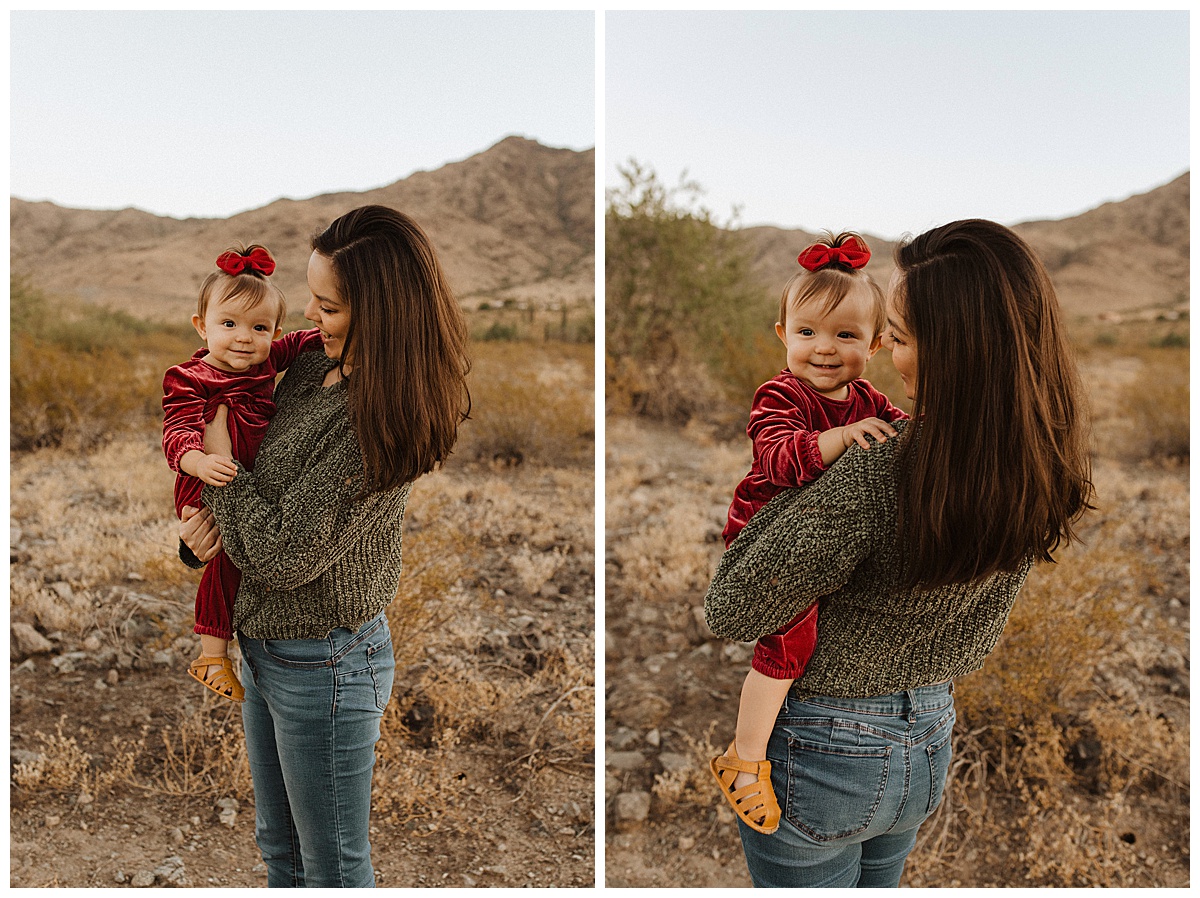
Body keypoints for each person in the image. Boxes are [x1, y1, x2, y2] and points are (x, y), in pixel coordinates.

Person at [703, 219, 1094, 888]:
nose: (895, 358)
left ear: (958, 350)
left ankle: (742, 759)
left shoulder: (882, 468)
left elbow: (734, 607)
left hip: (824, 750)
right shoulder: (1044, 464)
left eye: (903, 340)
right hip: (930, 740)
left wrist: (790, 509)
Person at [179, 206, 471, 888]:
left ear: (383, 311)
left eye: (329, 306)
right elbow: (261, 487)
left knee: (333, 868)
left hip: (327, 664)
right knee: (278, 852)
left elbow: (285, 556)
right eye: (311, 298)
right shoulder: (314, 365)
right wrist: (202, 540)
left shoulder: (381, 415)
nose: (310, 318)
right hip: (264, 644)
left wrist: (218, 468)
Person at [710, 233, 907, 834]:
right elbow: (777, 459)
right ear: (783, 334)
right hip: (771, 535)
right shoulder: (781, 393)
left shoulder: (868, 397)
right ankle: (743, 759)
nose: (824, 349)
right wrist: (841, 439)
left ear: (874, 345)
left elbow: (905, 434)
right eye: (808, 333)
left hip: (825, 536)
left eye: (845, 336)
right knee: (787, 646)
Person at [162, 245, 321, 703]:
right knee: (227, 558)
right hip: (208, 478)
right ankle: (211, 654)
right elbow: (177, 433)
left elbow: (303, 342)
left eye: (259, 328)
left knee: (243, 554)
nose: (243, 338)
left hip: (245, 477)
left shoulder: (265, 362)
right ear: (202, 326)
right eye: (228, 324)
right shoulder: (190, 377)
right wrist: (200, 461)